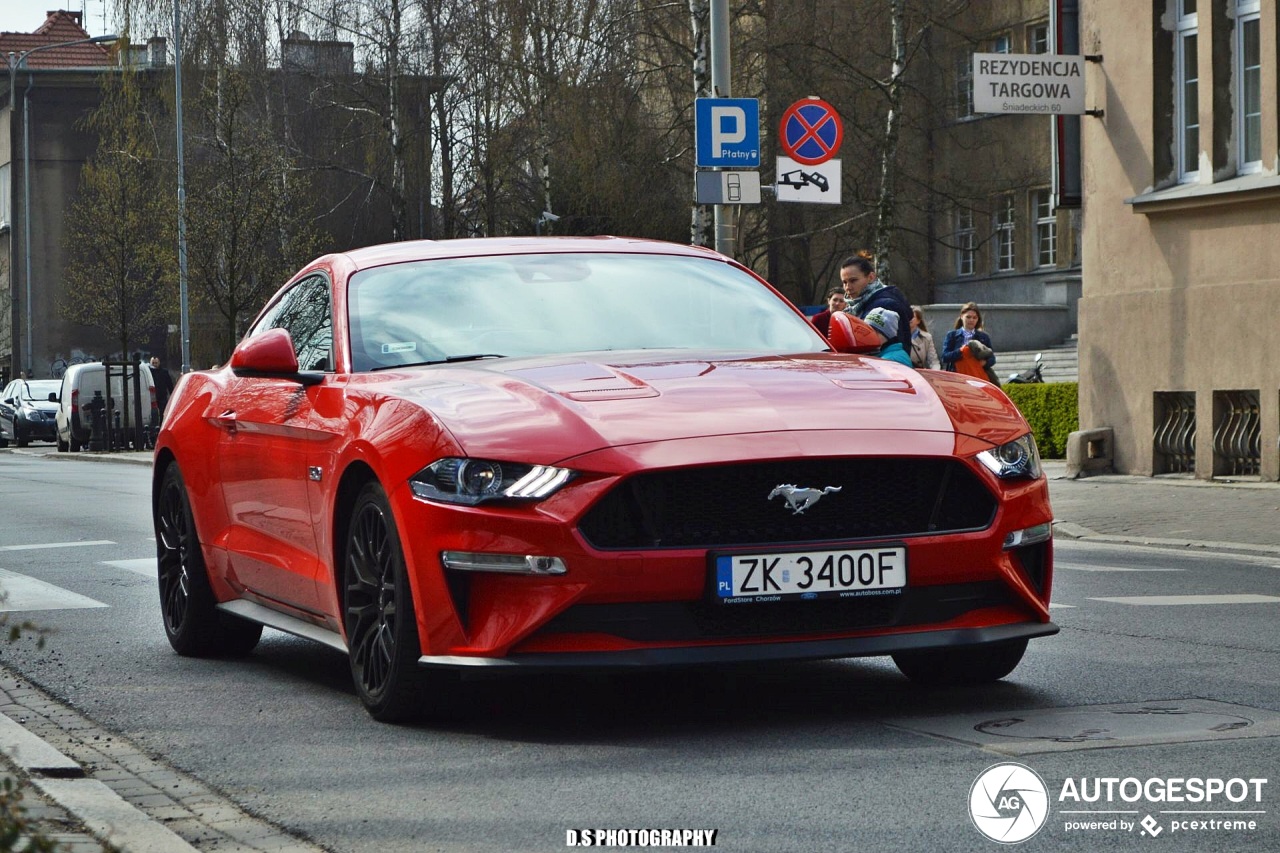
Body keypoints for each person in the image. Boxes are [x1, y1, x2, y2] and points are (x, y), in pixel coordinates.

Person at [839, 251, 912, 351]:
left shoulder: (884, 306)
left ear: (871, 277)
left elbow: (885, 349)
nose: (848, 287)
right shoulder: (855, 307)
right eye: (844, 282)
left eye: (853, 280)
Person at [941, 302, 997, 381]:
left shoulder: (983, 337)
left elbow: (992, 358)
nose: (971, 320)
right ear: (961, 316)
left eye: (974, 318)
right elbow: (945, 357)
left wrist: (984, 363)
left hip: (977, 377)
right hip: (957, 377)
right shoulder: (952, 335)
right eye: (968, 317)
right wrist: (960, 351)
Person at [908, 305, 941, 370]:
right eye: (907, 316)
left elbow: (933, 360)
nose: (909, 319)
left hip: (918, 373)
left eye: (912, 317)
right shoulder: (897, 335)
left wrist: (935, 372)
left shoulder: (927, 337)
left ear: (918, 321)